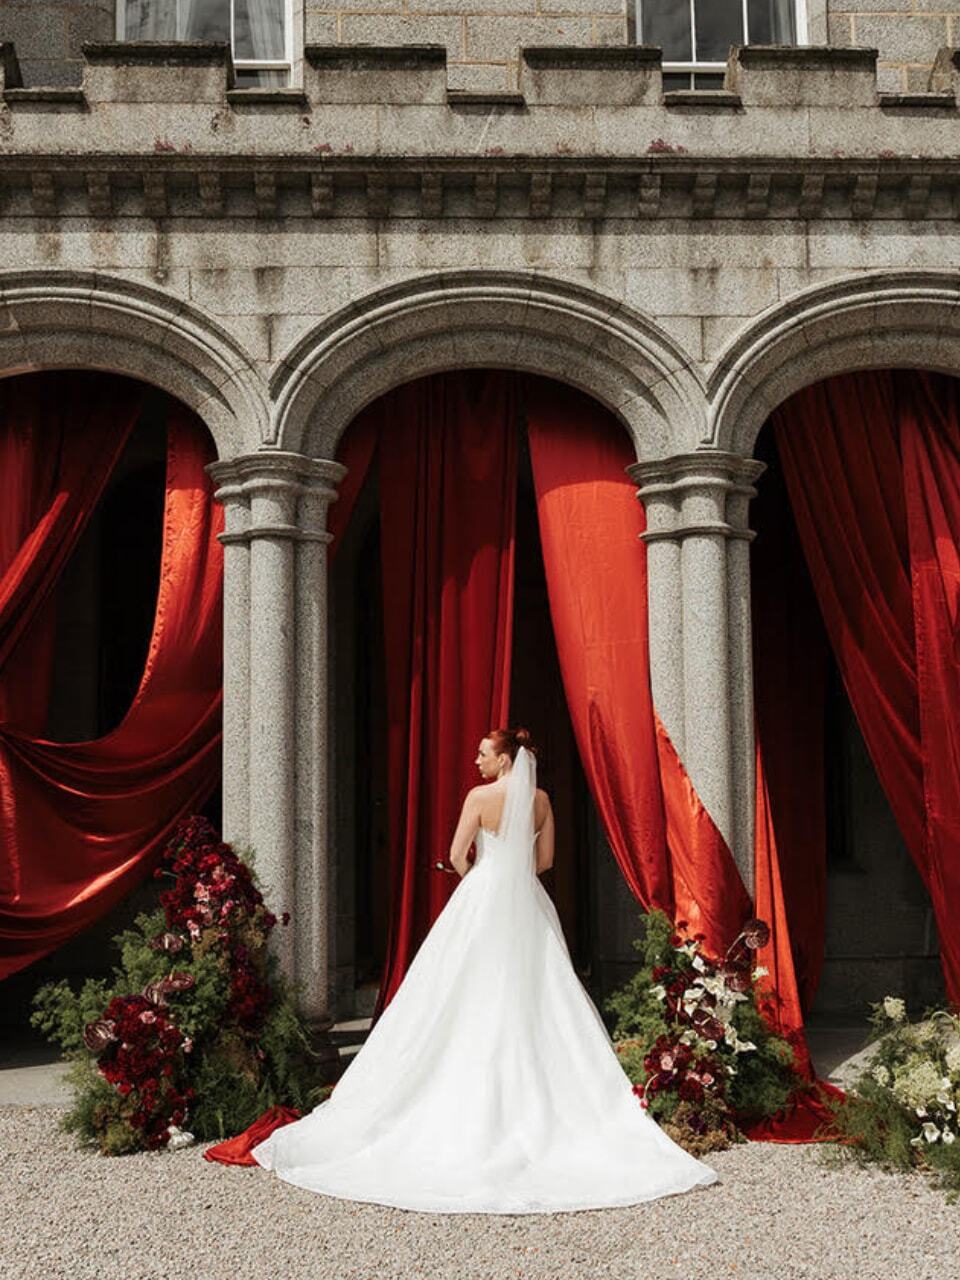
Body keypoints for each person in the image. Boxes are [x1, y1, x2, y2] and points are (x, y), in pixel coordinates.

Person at [250, 728, 719, 1213]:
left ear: (504, 759)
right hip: (524, 896)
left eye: (482, 754)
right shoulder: (540, 801)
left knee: (452, 992)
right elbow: (546, 860)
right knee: (539, 995)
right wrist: (512, 875)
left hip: (482, 895)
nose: (476, 761)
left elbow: (456, 855)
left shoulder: (479, 796)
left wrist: (480, 877)